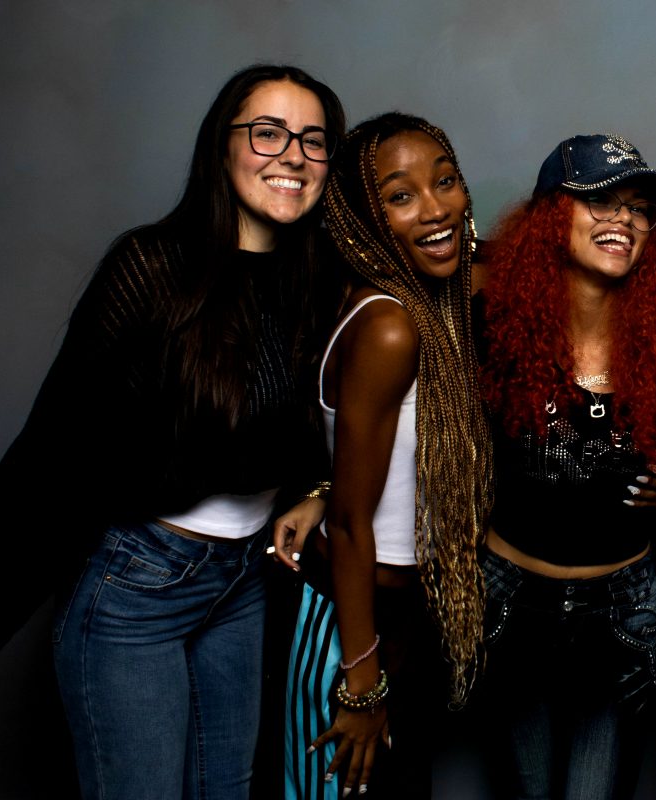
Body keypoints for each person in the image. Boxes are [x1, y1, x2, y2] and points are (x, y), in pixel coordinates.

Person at [0, 65, 345, 798]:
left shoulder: (320, 279)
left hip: (244, 581)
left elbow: (319, 430)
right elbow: (54, 444)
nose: (293, 156)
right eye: (268, 133)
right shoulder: (152, 267)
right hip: (136, 584)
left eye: (313, 140)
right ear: (223, 146)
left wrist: (317, 490)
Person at [475, 134, 656, 799]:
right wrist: (321, 489)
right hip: (509, 603)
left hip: (622, 611)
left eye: (640, 208)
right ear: (553, 214)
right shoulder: (489, 319)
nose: (624, 219)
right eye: (599, 201)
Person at [275, 113, 493, 800]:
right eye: (400, 196)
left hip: (408, 616)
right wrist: (362, 684)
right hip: (357, 617)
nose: (435, 210)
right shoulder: (390, 326)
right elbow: (348, 523)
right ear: (361, 219)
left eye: (446, 182)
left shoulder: (442, 296)